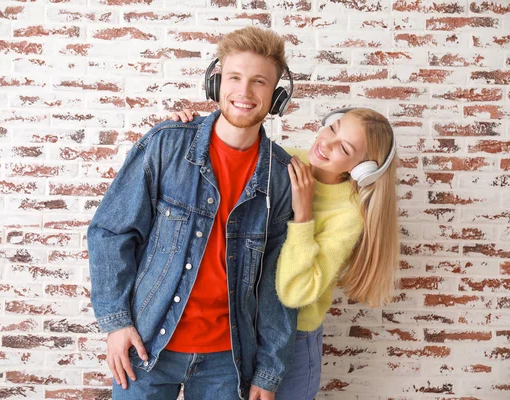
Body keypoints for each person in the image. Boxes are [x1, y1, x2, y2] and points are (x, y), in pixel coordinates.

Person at [87, 26, 297, 400]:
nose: (245, 93)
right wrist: (116, 322)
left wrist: (269, 370)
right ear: (215, 83)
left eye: (259, 82)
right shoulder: (167, 144)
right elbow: (111, 232)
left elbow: (277, 286)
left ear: (277, 97)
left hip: (228, 360)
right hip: (148, 345)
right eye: (234, 78)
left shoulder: (280, 178)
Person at [170, 106, 399, 399]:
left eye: (343, 147)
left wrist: (303, 214)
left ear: (361, 169)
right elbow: (224, 153)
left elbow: (295, 293)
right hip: (244, 328)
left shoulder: (348, 215)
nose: (326, 143)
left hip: (294, 342)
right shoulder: (284, 160)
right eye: (333, 128)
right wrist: (191, 128)